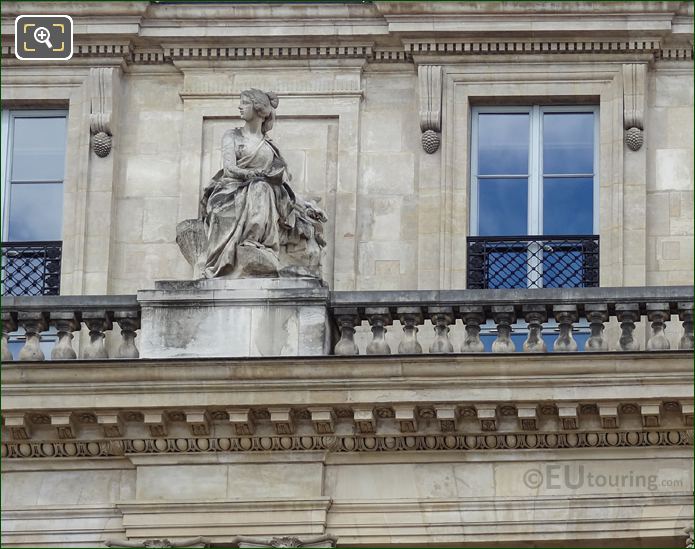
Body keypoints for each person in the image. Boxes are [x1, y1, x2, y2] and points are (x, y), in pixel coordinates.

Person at [200, 89, 297, 278]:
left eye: (245, 102)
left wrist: (303, 205)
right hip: (230, 190)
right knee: (259, 187)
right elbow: (229, 169)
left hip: (263, 191)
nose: (240, 106)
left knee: (262, 188)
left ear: (258, 108)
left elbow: (282, 181)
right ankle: (242, 248)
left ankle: (255, 243)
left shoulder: (270, 146)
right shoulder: (232, 136)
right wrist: (252, 173)